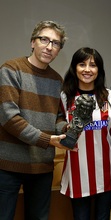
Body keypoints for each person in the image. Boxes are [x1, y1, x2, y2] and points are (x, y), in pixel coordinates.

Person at [0, 20, 69, 220]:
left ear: (59, 50)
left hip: (42, 167)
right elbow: (9, 118)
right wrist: (47, 140)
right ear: (32, 42)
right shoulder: (10, 69)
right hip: (8, 166)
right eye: (44, 39)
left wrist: (67, 129)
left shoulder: (57, 80)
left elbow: (57, 117)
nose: (49, 46)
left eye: (55, 43)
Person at [60, 47, 111, 220]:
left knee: (103, 216)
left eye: (93, 65)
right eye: (82, 64)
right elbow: (59, 126)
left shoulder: (109, 96)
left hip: (106, 168)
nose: (87, 69)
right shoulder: (64, 96)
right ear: (74, 67)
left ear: (99, 69)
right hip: (77, 169)